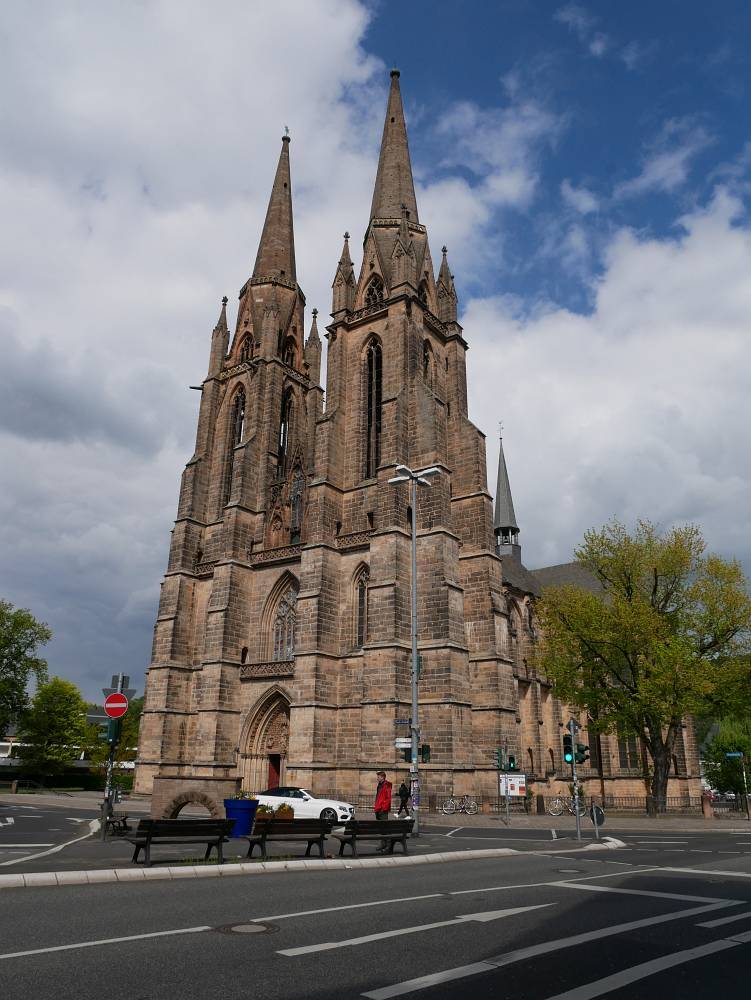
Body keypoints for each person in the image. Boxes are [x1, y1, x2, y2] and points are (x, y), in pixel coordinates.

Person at [374, 770, 392, 851]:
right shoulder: (379, 785)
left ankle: (388, 845)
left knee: (385, 828)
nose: (377, 778)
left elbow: (388, 798)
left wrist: (383, 808)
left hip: (382, 810)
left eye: (378, 777)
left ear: (382, 777)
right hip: (378, 809)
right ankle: (383, 844)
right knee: (381, 828)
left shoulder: (386, 785)